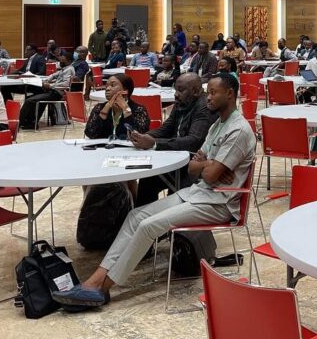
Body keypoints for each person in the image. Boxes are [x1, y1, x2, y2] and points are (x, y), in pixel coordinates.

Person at [53, 73, 255, 310]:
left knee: (148, 226)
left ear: (229, 94)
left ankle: (102, 287)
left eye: (213, 93)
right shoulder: (217, 125)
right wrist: (209, 164)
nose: (207, 97)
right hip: (198, 193)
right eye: (207, 92)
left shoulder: (238, 130)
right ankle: (96, 278)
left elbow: (209, 175)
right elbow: (193, 167)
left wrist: (208, 166)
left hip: (219, 203)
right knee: (135, 216)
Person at [129, 73, 216, 206]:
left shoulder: (204, 107)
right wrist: (142, 136)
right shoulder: (182, 102)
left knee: (158, 183)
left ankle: (156, 215)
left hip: (192, 166)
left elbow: (193, 141)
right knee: (148, 179)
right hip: (176, 158)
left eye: (180, 90)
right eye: (175, 89)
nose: (176, 94)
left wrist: (154, 143)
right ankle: (142, 216)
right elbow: (166, 128)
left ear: (195, 91)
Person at [19, 51, 76, 129]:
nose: (60, 62)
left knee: (30, 100)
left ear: (69, 61)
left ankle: (20, 122)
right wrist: (46, 80)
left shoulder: (69, 69)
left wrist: (50, 85)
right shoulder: (64, 69)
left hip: (57, 94)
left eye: (63, 60)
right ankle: (30, 122)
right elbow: (53, 75)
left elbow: (65, 84)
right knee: (31, 97)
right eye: (61, 60)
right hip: (52, 91)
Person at [84, 74, 151, 141]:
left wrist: (126, 110)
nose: (107, 89)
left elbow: (140, 136)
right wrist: (104, 111)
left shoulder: (138, 109)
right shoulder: (99, 108)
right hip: (103, 147)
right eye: (106, 86)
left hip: (127, 147)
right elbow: (90, 134)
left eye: (113, 85)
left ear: (125, 90)